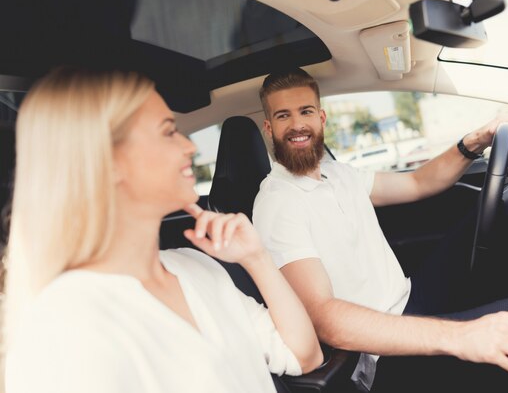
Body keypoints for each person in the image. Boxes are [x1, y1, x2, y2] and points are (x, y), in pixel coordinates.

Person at [252, 67, 508, 392]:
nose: (297, 125)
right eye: (283, 116)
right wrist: (460, 336)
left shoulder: (337, 173)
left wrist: (476, 141)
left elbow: (417, 182)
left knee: (507, 218)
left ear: (321, 117)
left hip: (408, 299)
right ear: (269, 127)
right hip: (379, 353)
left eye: (305, 111)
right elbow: (324, 317)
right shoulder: (277, 203)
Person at [2, 67, 323, 393]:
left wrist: (257, 258)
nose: (190, 148)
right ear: (108, 160)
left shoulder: (195, 265)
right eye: (169, 132)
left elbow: (304, 356)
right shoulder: (65, 323)